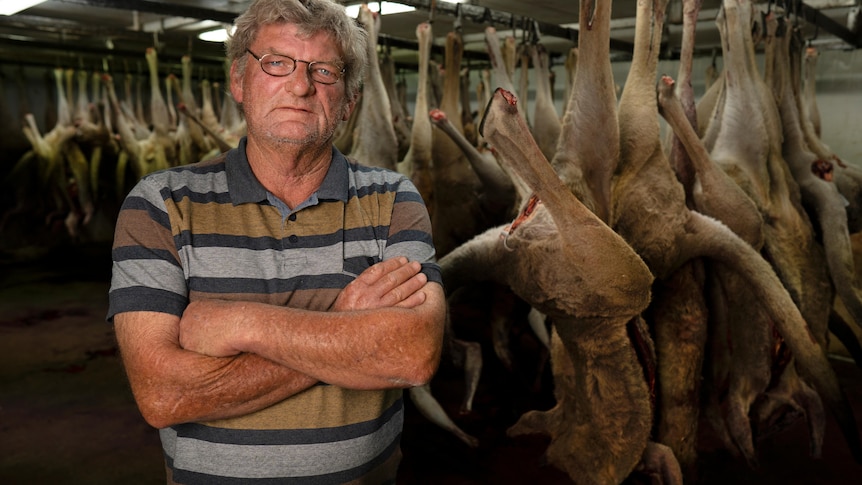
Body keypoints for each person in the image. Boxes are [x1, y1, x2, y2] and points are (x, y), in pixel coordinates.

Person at [107, 0, 446, 483]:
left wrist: (241, 324)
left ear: (348, 101)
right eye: (276, 63)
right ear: (239, 82)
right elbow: (164, 396)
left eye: (324, 71)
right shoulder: (160, 203)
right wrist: (347, 329)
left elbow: (412, 354)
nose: (301, 85)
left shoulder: (392, 198)